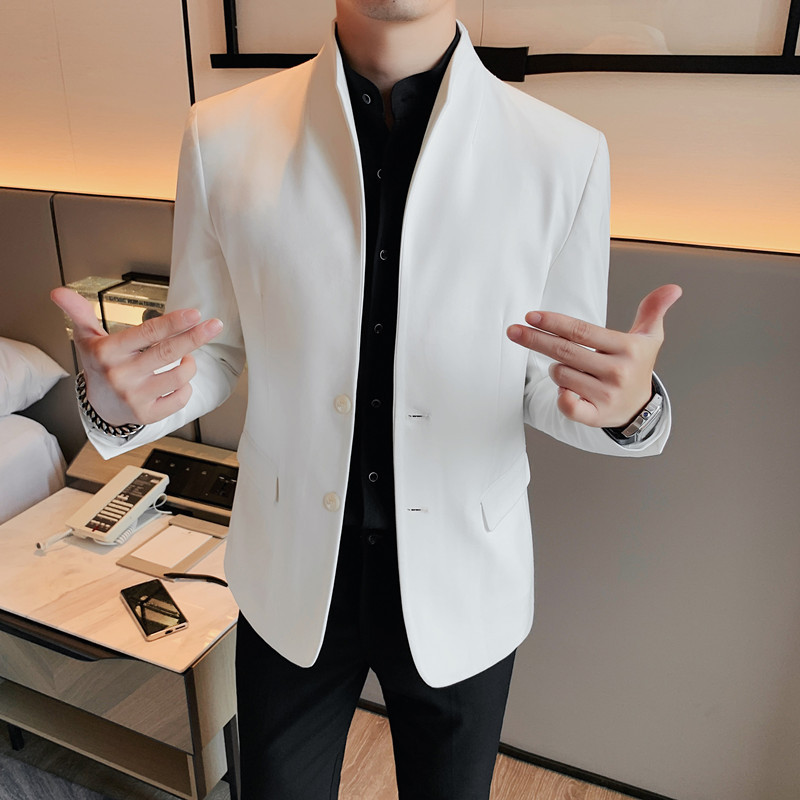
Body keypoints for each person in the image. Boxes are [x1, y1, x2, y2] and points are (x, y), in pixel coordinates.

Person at [53, 1, 681, 797]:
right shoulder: (221, 134)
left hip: (465, 572)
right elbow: (212, 349)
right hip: (290, 566)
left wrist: (628, 409)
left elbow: (554, 379)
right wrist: (120, 405)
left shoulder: (563, 152)